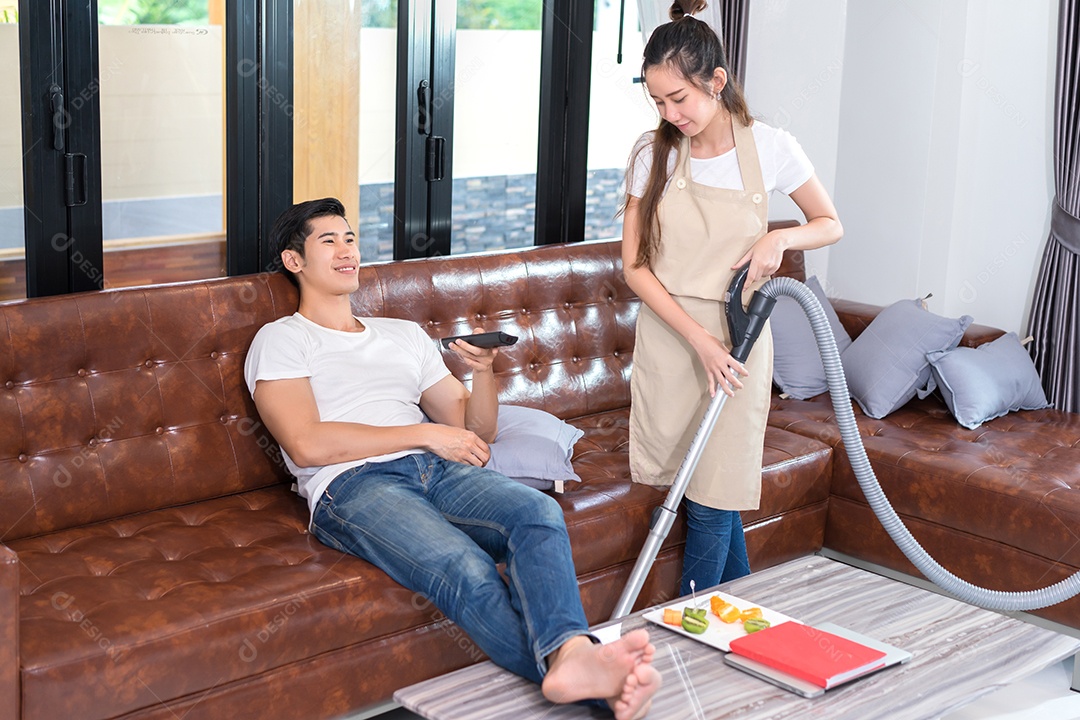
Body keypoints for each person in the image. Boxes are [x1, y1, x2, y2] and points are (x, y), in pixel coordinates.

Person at [244, 198, 661, 719]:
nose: (346, 250)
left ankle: (573, 654)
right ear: (294, 262)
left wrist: (483, 371)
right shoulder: (282, 339)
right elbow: (305, 443)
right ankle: (587, 677)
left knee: (537, 513)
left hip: (436, 467)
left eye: (350, 238)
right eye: (328, 241)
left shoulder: (402, 334)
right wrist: (422, 432)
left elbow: (473, 428)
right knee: (463, 565)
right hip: (352, 487)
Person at [621, 2, 843, 597]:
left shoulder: (770, 146)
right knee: (695, 487)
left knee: (716, 492)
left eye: (680, 99)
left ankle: (688, 623)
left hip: (738, 338)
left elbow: (828, 223)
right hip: (672, 339)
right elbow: (635, 269)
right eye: (658, 101)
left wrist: (780, 236)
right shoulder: (653, 152)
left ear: (716, 82)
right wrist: (696, 341)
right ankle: (746, 614)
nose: (670, 113)